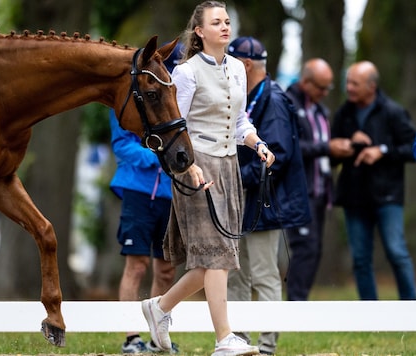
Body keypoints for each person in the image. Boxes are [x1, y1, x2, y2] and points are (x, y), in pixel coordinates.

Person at [140, 2, 274, 356]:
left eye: (227, 21)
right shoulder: (185, 72)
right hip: (196, 168)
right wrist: (188, 167)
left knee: (219, 257)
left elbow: (240, 120)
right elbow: (174, 126)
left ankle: (160, 307)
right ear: (199, 31)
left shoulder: (237, 69)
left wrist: (257, 142)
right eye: (217, 22)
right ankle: (224, 338)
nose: (225, 27)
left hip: (229, 167)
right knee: (215, 257)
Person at [226, 36, 310, 356]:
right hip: (246, 202)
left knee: (264, 276)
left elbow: (278, 156)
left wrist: (234, 180)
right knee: (237, 275)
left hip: (264, 203)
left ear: (245, 65)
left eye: (230, 65)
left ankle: (266, 347)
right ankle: (237, 342)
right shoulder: (249, 97)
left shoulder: (272, 100)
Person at [110, 42, 184, 354]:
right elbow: (121, 146)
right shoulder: (130, 99)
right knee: (136, 265)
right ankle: (131, 337)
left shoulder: (175, 101)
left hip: (171, 194)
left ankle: (157, 338)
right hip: (138, 192)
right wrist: (157, 156)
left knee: (166, 268)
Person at [332, 60, 416, 300]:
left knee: (396, 252)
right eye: (347, 82)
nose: (349, 87)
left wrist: (382, 150)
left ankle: (411, 309)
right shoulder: (344, 113)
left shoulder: (393, 112)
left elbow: (412, 149)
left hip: (387, 196)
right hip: (354, 196)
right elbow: (331, 149)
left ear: (372, 86)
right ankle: (371, 314)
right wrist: (346, 144)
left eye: (355, 84)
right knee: (360, 258)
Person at [284, 58, 353, 301]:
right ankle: (295, 305)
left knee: (315, 250)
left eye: (328, 88)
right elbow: (289, 147)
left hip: (321, 190)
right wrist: (327, 148)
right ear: (305, 81)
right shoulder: (288, 104)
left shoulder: (321, 110)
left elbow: (324, 149)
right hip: (299, 191)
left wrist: (342, 149)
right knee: (304, 249)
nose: (324, 93)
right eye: (321, 87)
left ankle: (300, 304)